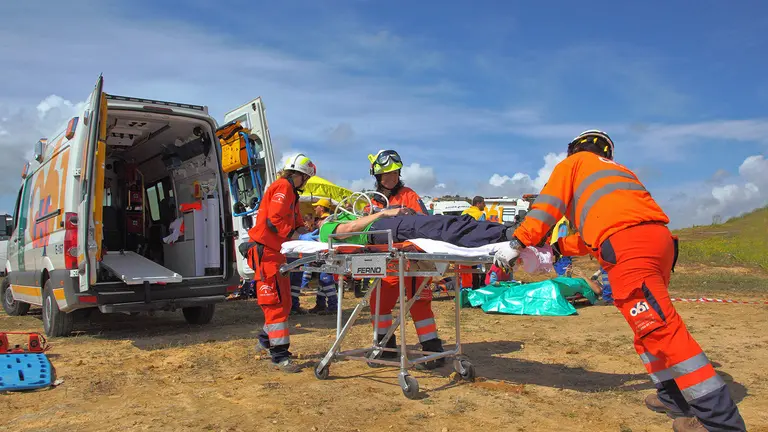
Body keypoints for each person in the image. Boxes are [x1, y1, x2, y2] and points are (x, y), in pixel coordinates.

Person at [493, 130, 746, 432]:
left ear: (574, 149)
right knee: (647, 330)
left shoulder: (574, 165)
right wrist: (558, 248)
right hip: (658, 242)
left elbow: (547, 205)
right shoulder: (617, 173)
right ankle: (671, 398)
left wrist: (519, 243)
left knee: (660, 329)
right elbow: (600, 229)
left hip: (630, 247)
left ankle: (721, 423)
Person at [363, 149, 443, 369]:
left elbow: (423, 222)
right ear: (377, 176)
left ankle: (432, 349)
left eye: (395, 173)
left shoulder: (409, 195)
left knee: (419, 302)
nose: (391, 178)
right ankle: (385, 347)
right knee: (379, 302)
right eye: (386, 175)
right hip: (386, 261)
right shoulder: (372, 201)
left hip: (411, 259)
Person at [242, 153, 318, 373]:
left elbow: (292, 222)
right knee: (275, 306)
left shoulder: (290, 193)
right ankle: (280, 356)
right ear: (302, 176)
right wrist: (296, 235)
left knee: (283, 304)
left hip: (276, 254)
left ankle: (265, 341)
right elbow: (274, 220)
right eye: (306, 179)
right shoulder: (283, 187)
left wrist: (306, 233)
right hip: (267, 254)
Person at [304, 198, 338, 315]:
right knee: (322, 280)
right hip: (325, 253)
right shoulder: (329, 219)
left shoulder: (326, 221)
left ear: (322, 208)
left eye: (316, 206)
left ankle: (333, 306)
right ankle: (320, 304)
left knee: (326, 279)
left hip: (327, 254)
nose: (314, 208)